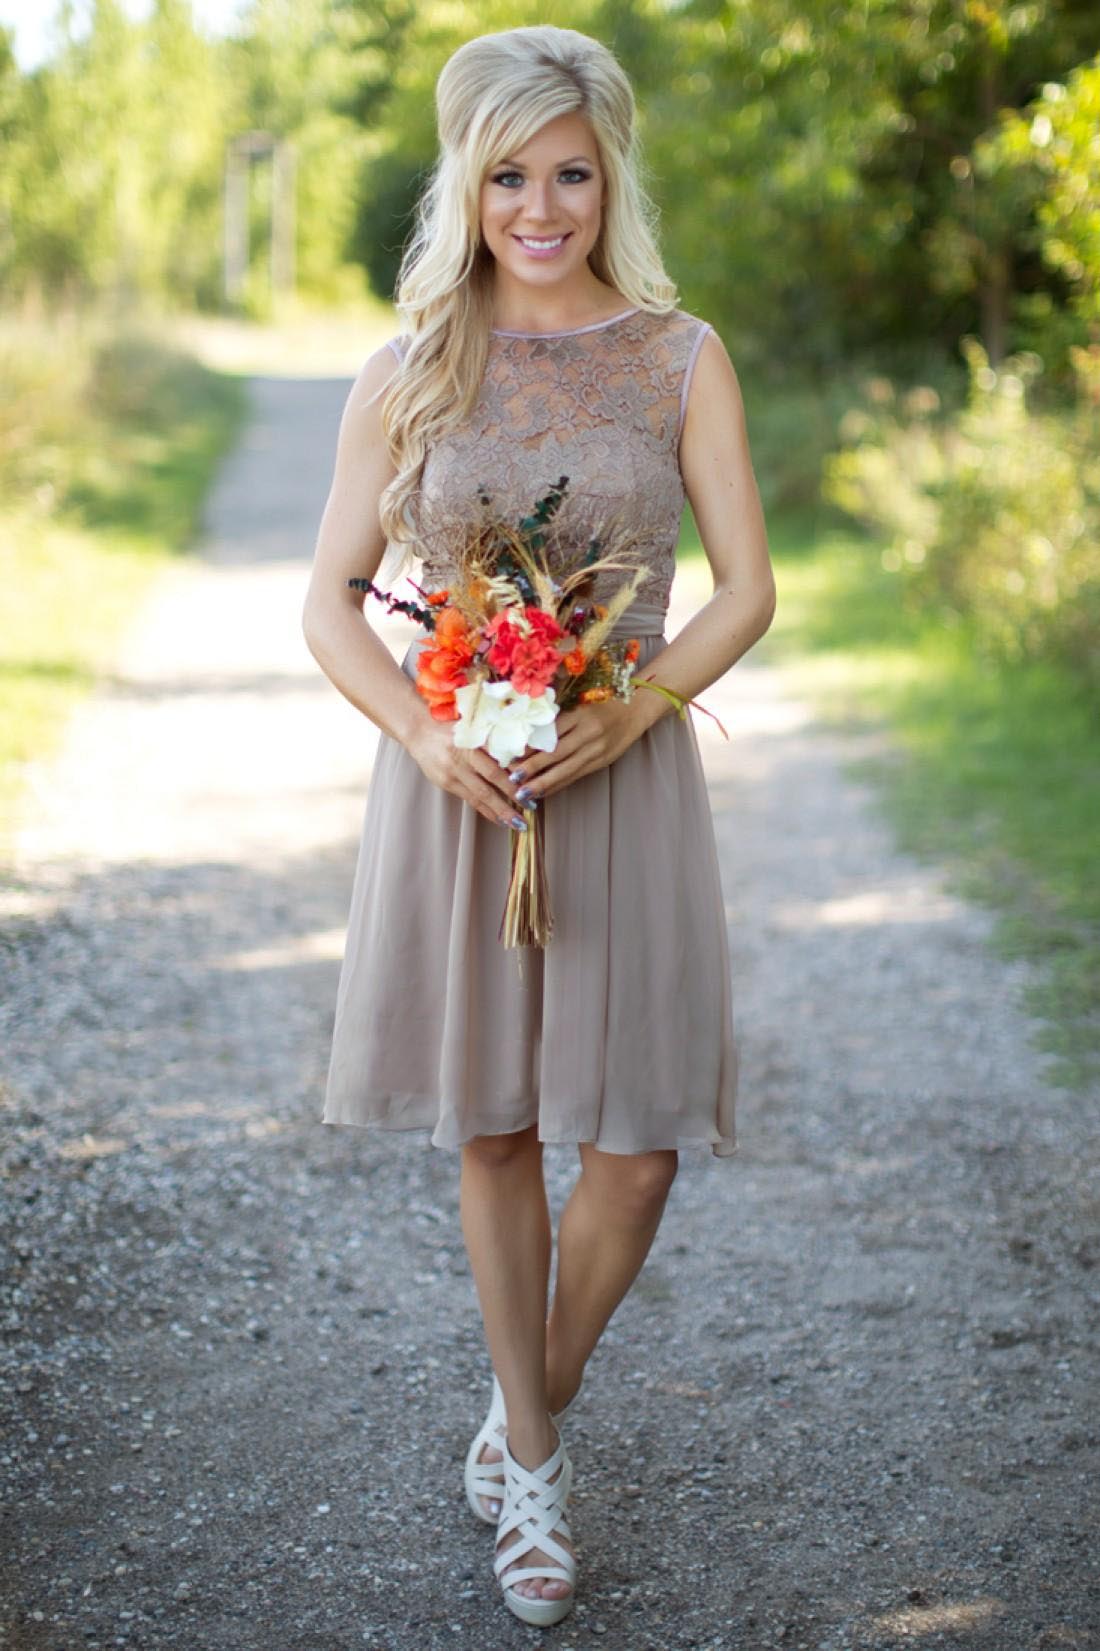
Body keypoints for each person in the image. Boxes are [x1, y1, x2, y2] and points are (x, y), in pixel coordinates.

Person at [301, 22, 775, 1630]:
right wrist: (426, 734)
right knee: (495, 1129)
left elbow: (749, 588)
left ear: (610, 173)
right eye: (510, 173)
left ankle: (521, 1414)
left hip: (622, 776)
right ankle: (541, 1480)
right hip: (459, 789)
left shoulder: (679, 355)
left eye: (570, 171)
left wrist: (632, 710)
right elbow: (328, 600)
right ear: (468, 177)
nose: (541, 205)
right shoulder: (411, 363)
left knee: (635, 1156)